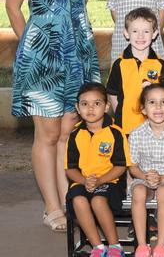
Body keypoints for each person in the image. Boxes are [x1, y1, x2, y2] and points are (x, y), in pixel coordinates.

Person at [6, 0, 100, 232]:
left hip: (78, 54)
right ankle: (51, 207)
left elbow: (79, 4)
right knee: (46, 134)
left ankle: (68, 200)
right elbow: (14, 7)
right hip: (42, 57)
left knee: (69, 131)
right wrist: (33, 45)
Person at [64, 82, 130, 257]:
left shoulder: (116, 132)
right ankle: (98, 247)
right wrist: (85, 181)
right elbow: (70, 169)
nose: (90, 109)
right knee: (78, 200)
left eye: (97, 103)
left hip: (110, 182)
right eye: (84, 104)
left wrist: (99, 180)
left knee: (98, 201)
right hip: (82, 181)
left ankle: (115, 247)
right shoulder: (75, 135)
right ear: (78, 107)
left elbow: (120, 166)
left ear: (107, 106)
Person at [128, 84, 164, 257]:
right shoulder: (136, 133)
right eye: (152, 102)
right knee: (138, 191)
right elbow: (132, 166)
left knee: (163, 192)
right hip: (143, 177)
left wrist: (163, 178)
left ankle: (160, 246)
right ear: (144, 109)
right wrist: (145, 176)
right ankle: (141, 245)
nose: (158, 107)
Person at [106, 8, 164, 135]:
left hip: (153, 128)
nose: (140, 36)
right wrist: (120, 114)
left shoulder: (159, 64)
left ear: (154, 34)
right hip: (126, 127)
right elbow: (112, 92)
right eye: (135, 31)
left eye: (146, 31)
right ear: (126, 33)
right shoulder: (119, 64)